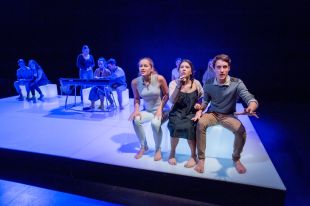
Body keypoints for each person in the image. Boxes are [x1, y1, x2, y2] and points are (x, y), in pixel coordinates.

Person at [194, 54, 259, 174]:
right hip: (212, 113)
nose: (222, 70)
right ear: (213, 68)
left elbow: (250, 98)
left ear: (229, 68)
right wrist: (200, 107)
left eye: (225, 67)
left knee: (241, 130)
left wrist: (251, 107)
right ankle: (201, 159)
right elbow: (205, 102)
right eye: (218, 67)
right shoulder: (208, 83)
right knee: (200, 124)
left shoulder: (236, 82)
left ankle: (236, 158)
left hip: (228, 115)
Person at [129, 57, 169, 161]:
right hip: (148, 111)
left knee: (155, 124)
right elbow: (137, 99)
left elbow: (166, 95)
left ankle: (157, 149)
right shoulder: (135, 82)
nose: (142, 68)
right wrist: (136, 110)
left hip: (162, 110)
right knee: (136, 120)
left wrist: (160, 108)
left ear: (151, 68)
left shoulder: (159, 78)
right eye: (140, 66)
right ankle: (143, 146)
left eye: (145, 66)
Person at [168, 59, 203, 167]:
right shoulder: (173, 83)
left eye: (187, 67)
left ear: (191, 71)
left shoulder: (196, 83)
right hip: (177, 112)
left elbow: (202, 98)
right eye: (181, 67)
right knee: (174, 125)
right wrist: (179, 86)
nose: (183, 69)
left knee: (190, 126)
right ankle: (172, 153)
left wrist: (199, 111)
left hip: (191, 112)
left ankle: (193, 156)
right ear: (178, 70)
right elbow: (172, 100)